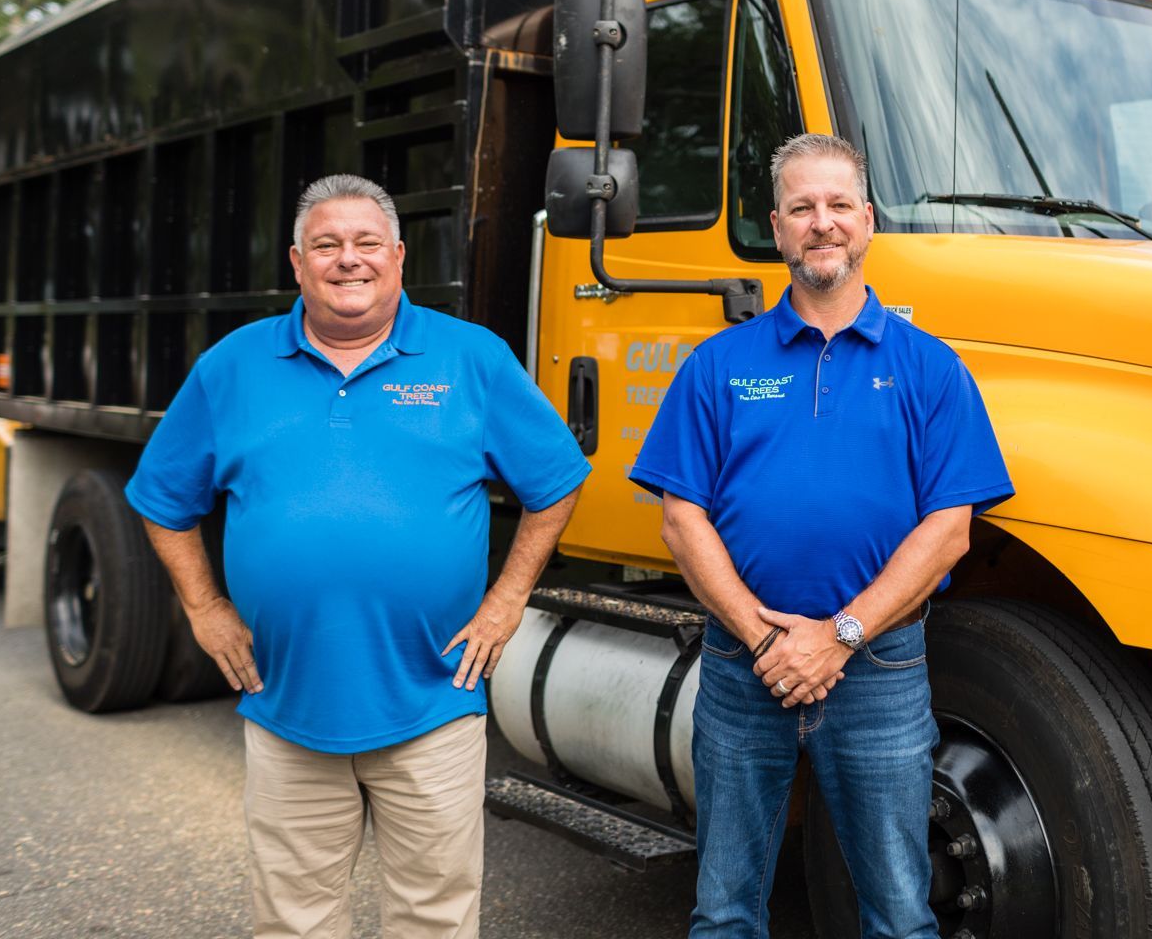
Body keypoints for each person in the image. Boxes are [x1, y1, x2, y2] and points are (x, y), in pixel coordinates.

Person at [126, 174, 589, 939]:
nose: (349, 259)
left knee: (433, 917)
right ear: (297, 262)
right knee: (293, 922)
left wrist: (507, 601)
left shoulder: (470, 358)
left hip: (433, 702)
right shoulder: (232, 367)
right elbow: (162, 500)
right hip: (286, 705)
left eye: (367, 243)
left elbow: (556, 482)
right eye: (327, 245)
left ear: (399, 257)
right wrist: (205, 609)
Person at [630, 134, 1013, 939]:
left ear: (867, 222)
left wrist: (839, 636)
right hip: (744, 670)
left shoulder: (930, 367)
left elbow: (949, 532)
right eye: (802, 207)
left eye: (839, 205)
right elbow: (680, 517)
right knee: (724, 912)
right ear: (777, 227)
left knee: (901, 916)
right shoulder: (718, 364)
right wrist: (765, 636)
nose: (822, 223)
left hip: (878, 671)